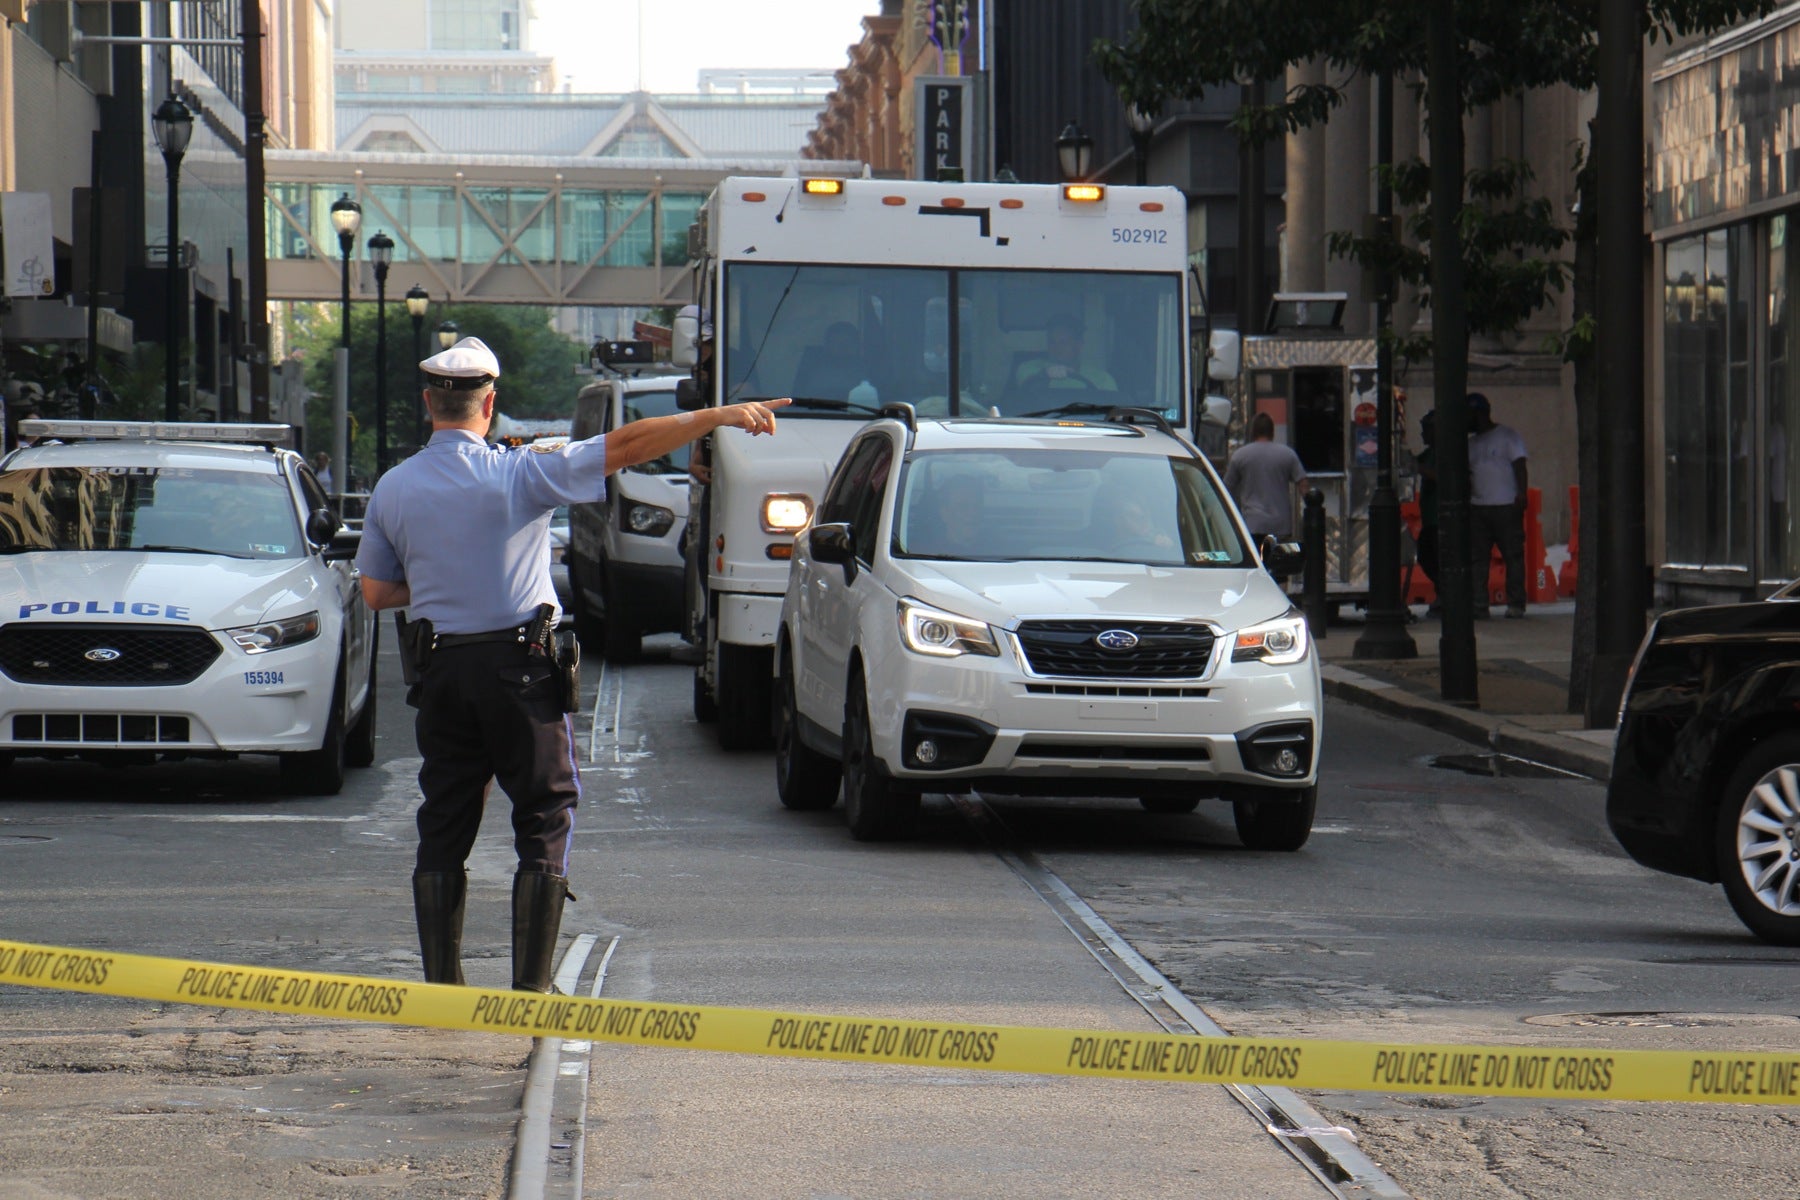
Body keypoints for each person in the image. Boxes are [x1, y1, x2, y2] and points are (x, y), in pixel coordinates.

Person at [355, 336, 788, 991]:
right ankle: (529, 990)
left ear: (427, 404)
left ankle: (443, 991)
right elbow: (628, 446)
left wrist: (446, 578)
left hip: (442, 673)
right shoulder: (522, 472)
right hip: (518, 669)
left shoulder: (393, 488)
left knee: (444, 820)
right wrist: (717, 415)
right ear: (490, 404)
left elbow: (376, 592)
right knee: (543, 814)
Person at [1466, 392, 1529, 618]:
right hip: (1478, 507)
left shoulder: (1508, 436)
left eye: (1469, 414)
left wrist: (1522, 493)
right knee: (1478, 559)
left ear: (1480, 414)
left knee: (1513, 556)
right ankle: (1479, 604)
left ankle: (1516, 603)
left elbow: (1520, 464)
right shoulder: (1470, 444)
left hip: (1506, 505)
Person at [1224, 412, 1308, 544]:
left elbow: (1226, 489)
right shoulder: (1287, 454)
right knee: (1278, 563)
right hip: (1281, 526)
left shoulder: (1240, 456)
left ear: (1253, 431)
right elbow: (1303, 484)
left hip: (1252, 525)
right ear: (1272, 432)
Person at [1013, 313, 1117, 396]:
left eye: (1064, 342)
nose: (1056, 347)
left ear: (1079, 345)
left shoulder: (1102, 379)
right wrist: (1044, 375)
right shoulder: (1028, 368)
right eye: (1052, 341)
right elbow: (1026, 394)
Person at [792, 320, 868, 400]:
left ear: (857, 346)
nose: (843, 347)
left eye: (848, 342)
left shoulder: (866, 374)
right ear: (827, 346)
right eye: (838, 343)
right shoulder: (814, 374)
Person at [1414, 410, 1441, 613]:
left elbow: (1441, 475)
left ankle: (1446, 596)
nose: (1422, 435)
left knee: (1439, 558)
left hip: (1441, 519)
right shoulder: (1430, 452)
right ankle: (1442, 593)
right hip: (1429, 519)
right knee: (1426, 555)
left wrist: (1418, 468)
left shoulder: (1445, 452)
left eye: (1426, 431)